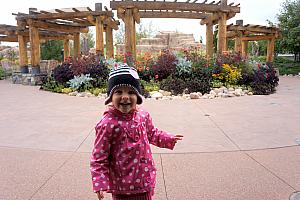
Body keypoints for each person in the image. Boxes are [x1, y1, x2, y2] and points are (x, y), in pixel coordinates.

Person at [90, 64, 183, 200]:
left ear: (138, 96)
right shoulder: (107, 124)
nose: (125, 97)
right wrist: (99, 182)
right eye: (119, 92)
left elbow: (152, 133)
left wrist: (168, 138)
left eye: (131, 92)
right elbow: (99, 157)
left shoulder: (143, 116)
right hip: (122, 187)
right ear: (110, 97)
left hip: (144, 180)